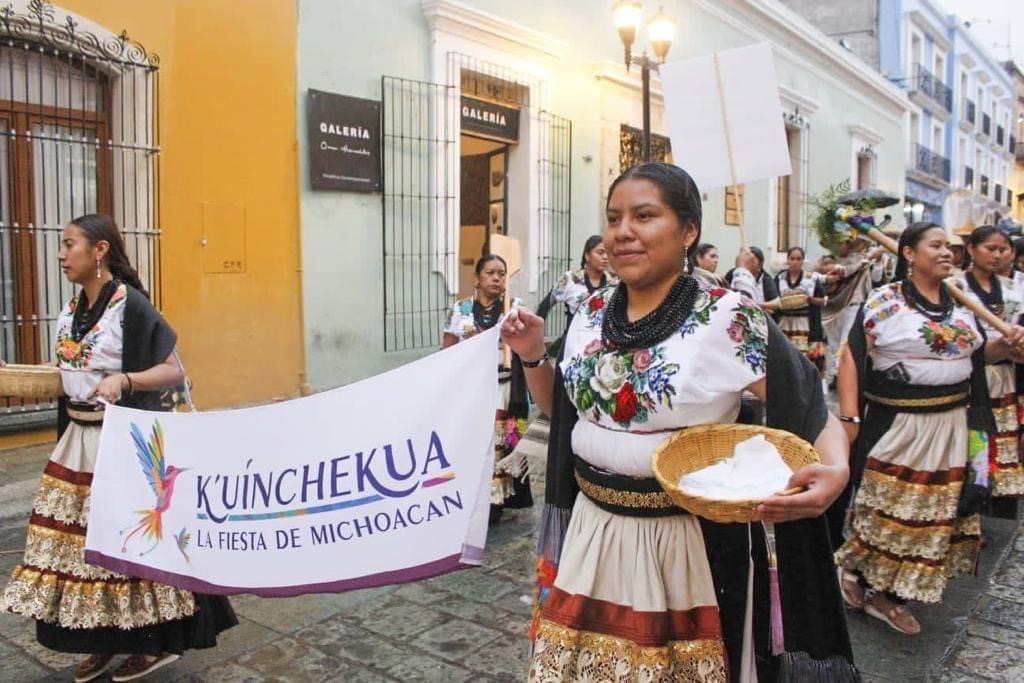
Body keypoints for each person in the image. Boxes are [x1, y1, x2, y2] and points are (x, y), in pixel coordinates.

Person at [504, 163, 855, 681]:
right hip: (592, 531)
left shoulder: (726, 317)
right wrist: (532, 354)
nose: (623, 231)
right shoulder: (591, 311)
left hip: (689, 543)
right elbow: (564, 413)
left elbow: (805, 404)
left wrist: (838, 467)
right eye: (614, 217)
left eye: (644, 215)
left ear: (689, 230)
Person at [1, 214, 237, 682]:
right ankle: (102, 642)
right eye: (61, 246)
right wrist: (20, 372)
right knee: (81, 550)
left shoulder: (131, 307)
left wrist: (125, 379)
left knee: (131, 545)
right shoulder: (73, 310)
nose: (61, 254)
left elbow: (174, 371)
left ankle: (151, 644)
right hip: (77, 443)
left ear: (100, 251)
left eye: (70, 245)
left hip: (121, 443)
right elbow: (73, 370)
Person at [833, 222, 1023, 637]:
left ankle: (890, 596)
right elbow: (851, 357)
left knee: (934, 514)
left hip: (953, 423)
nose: (945, 253)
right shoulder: (886, 301)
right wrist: (849, 419)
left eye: (948, 247)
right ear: (908, 253)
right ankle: (861, 575)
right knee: (888, 510)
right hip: (900, 424)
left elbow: (978, 354)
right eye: (935, 246)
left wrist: (1005, 345)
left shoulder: (963, 302)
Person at [444, 254, 533, 523]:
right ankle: (469, 495)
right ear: (478, 278)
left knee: (500, 443)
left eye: (502, 273)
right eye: (490, 273)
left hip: (505, 387)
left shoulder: (515, 308)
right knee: (473, 442)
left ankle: (497, 499)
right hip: (471, 390)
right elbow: (447, 350)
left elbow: (528, 344)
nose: (497, 278)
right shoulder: (460, 310)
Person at [955, 226, 1024, 513]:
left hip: (1005, 378)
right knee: (970, 442)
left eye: (1002, 249)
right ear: (971, 248)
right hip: (971, 377)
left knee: (1002, 444)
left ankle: (997, 510)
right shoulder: (956, 285)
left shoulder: (1014, 287)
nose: (997, 255)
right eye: (990, 248)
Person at [821, 238, 888, 385]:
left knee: (846, 341)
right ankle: (832, 375)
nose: (841, 245)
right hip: (832, 305)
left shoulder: (863, 261)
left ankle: (841, 376)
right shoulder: (828, 261)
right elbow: (829, 276)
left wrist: (876, 261)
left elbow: (876, 279)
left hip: (854, 306)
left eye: (844, 242)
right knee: (832, 343)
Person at [774, 247, 828, 377]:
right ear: (787, 260)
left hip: (804, 323)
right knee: (785, 355)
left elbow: (824, 300)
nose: (795, 262)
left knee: (803, 357)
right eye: (792, 258)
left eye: (798, 259)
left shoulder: (811, 278)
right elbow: (773, 298)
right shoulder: (779, 278)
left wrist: (809, 299)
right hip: (784, 323)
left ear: (803, 261)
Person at [545, 235, 618, 318]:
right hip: (574, 330)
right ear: (587, 256)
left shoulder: (614, 282)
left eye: (608, 253)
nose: (605, 257)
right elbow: (544, 307)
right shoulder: (570, 279)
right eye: (600, 252)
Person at [725, 246, 779, 310]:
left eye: (752, 262)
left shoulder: (766, 279)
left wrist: (756, 304)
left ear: (759, 266)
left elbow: (776, 303)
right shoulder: (735, 273)